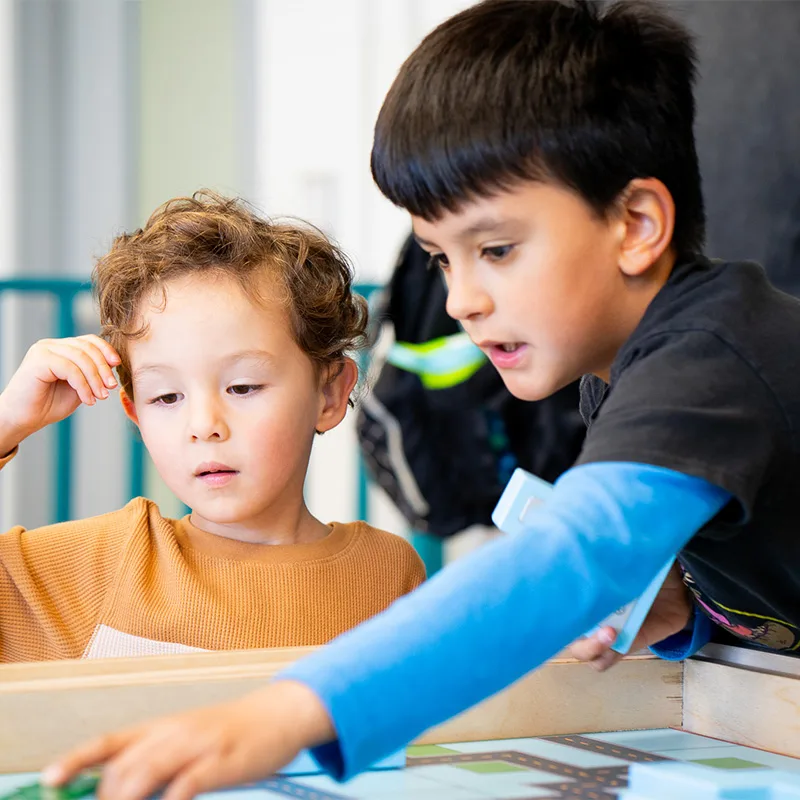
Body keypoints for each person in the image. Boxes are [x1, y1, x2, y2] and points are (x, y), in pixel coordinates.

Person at [45, 2, 800, 798]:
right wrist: (685, 614)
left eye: (497, 249)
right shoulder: (618, 376)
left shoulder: (708, 358)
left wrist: (276, 717)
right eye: (441, 258)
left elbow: (568, 558)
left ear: (637, 223)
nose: (462, 300)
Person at [0, 190, 425, 662]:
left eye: (242, 387)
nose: (204, 426)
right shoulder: (98, 564)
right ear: (135, 414)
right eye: (166, 396)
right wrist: (7, 421)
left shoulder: (388, 574)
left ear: (328, 394)